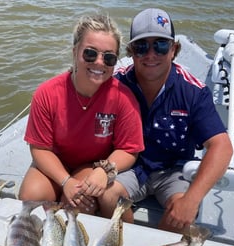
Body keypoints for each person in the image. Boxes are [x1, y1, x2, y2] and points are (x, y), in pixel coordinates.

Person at [99, 8, 233, 233]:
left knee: (183, 214)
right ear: (131, 52)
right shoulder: (116, 86)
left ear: (174, 49)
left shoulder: (193, 91)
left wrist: (191, 200)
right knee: (107, 195)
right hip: (132, 167)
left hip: (174, 171)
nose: (151, 55)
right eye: (142, 47)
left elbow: (221, 146)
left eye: (160, 45)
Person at [19, 13, 144, 215]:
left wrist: (104, 170)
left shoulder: (123, 98)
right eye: (90, 53)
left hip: (91, 166)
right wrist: (65, 181)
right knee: (30, 199)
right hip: (54, 162)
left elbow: (129, 149)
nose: (99, 63)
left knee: (79, 204)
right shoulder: (47, 93)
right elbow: (40, 148)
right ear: (75, 51)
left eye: (109, 57)